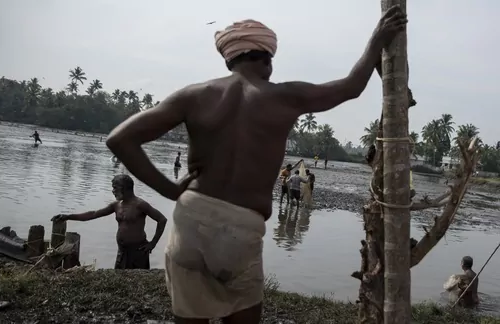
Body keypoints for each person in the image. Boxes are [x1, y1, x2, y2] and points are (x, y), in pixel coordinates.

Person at [105, 8, 408, 324]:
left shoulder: (194, 95)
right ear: (267, 59)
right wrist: (377, 41)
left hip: (191, 217)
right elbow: (350, 87)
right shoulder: (284, 95)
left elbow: (120, 139)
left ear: (229, 60)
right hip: (242, 226)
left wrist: (169, 189)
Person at [50, 174, 168, 269]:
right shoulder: (116, 205)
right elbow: (94, 214)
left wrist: (153, 243)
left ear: (124, 187)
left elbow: (162, 220)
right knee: (120, 281)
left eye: (115, 188)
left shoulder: (140, 204)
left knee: (138, 282)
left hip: (138, 251)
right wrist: (68, 216)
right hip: (122, 251)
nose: (113, 191)